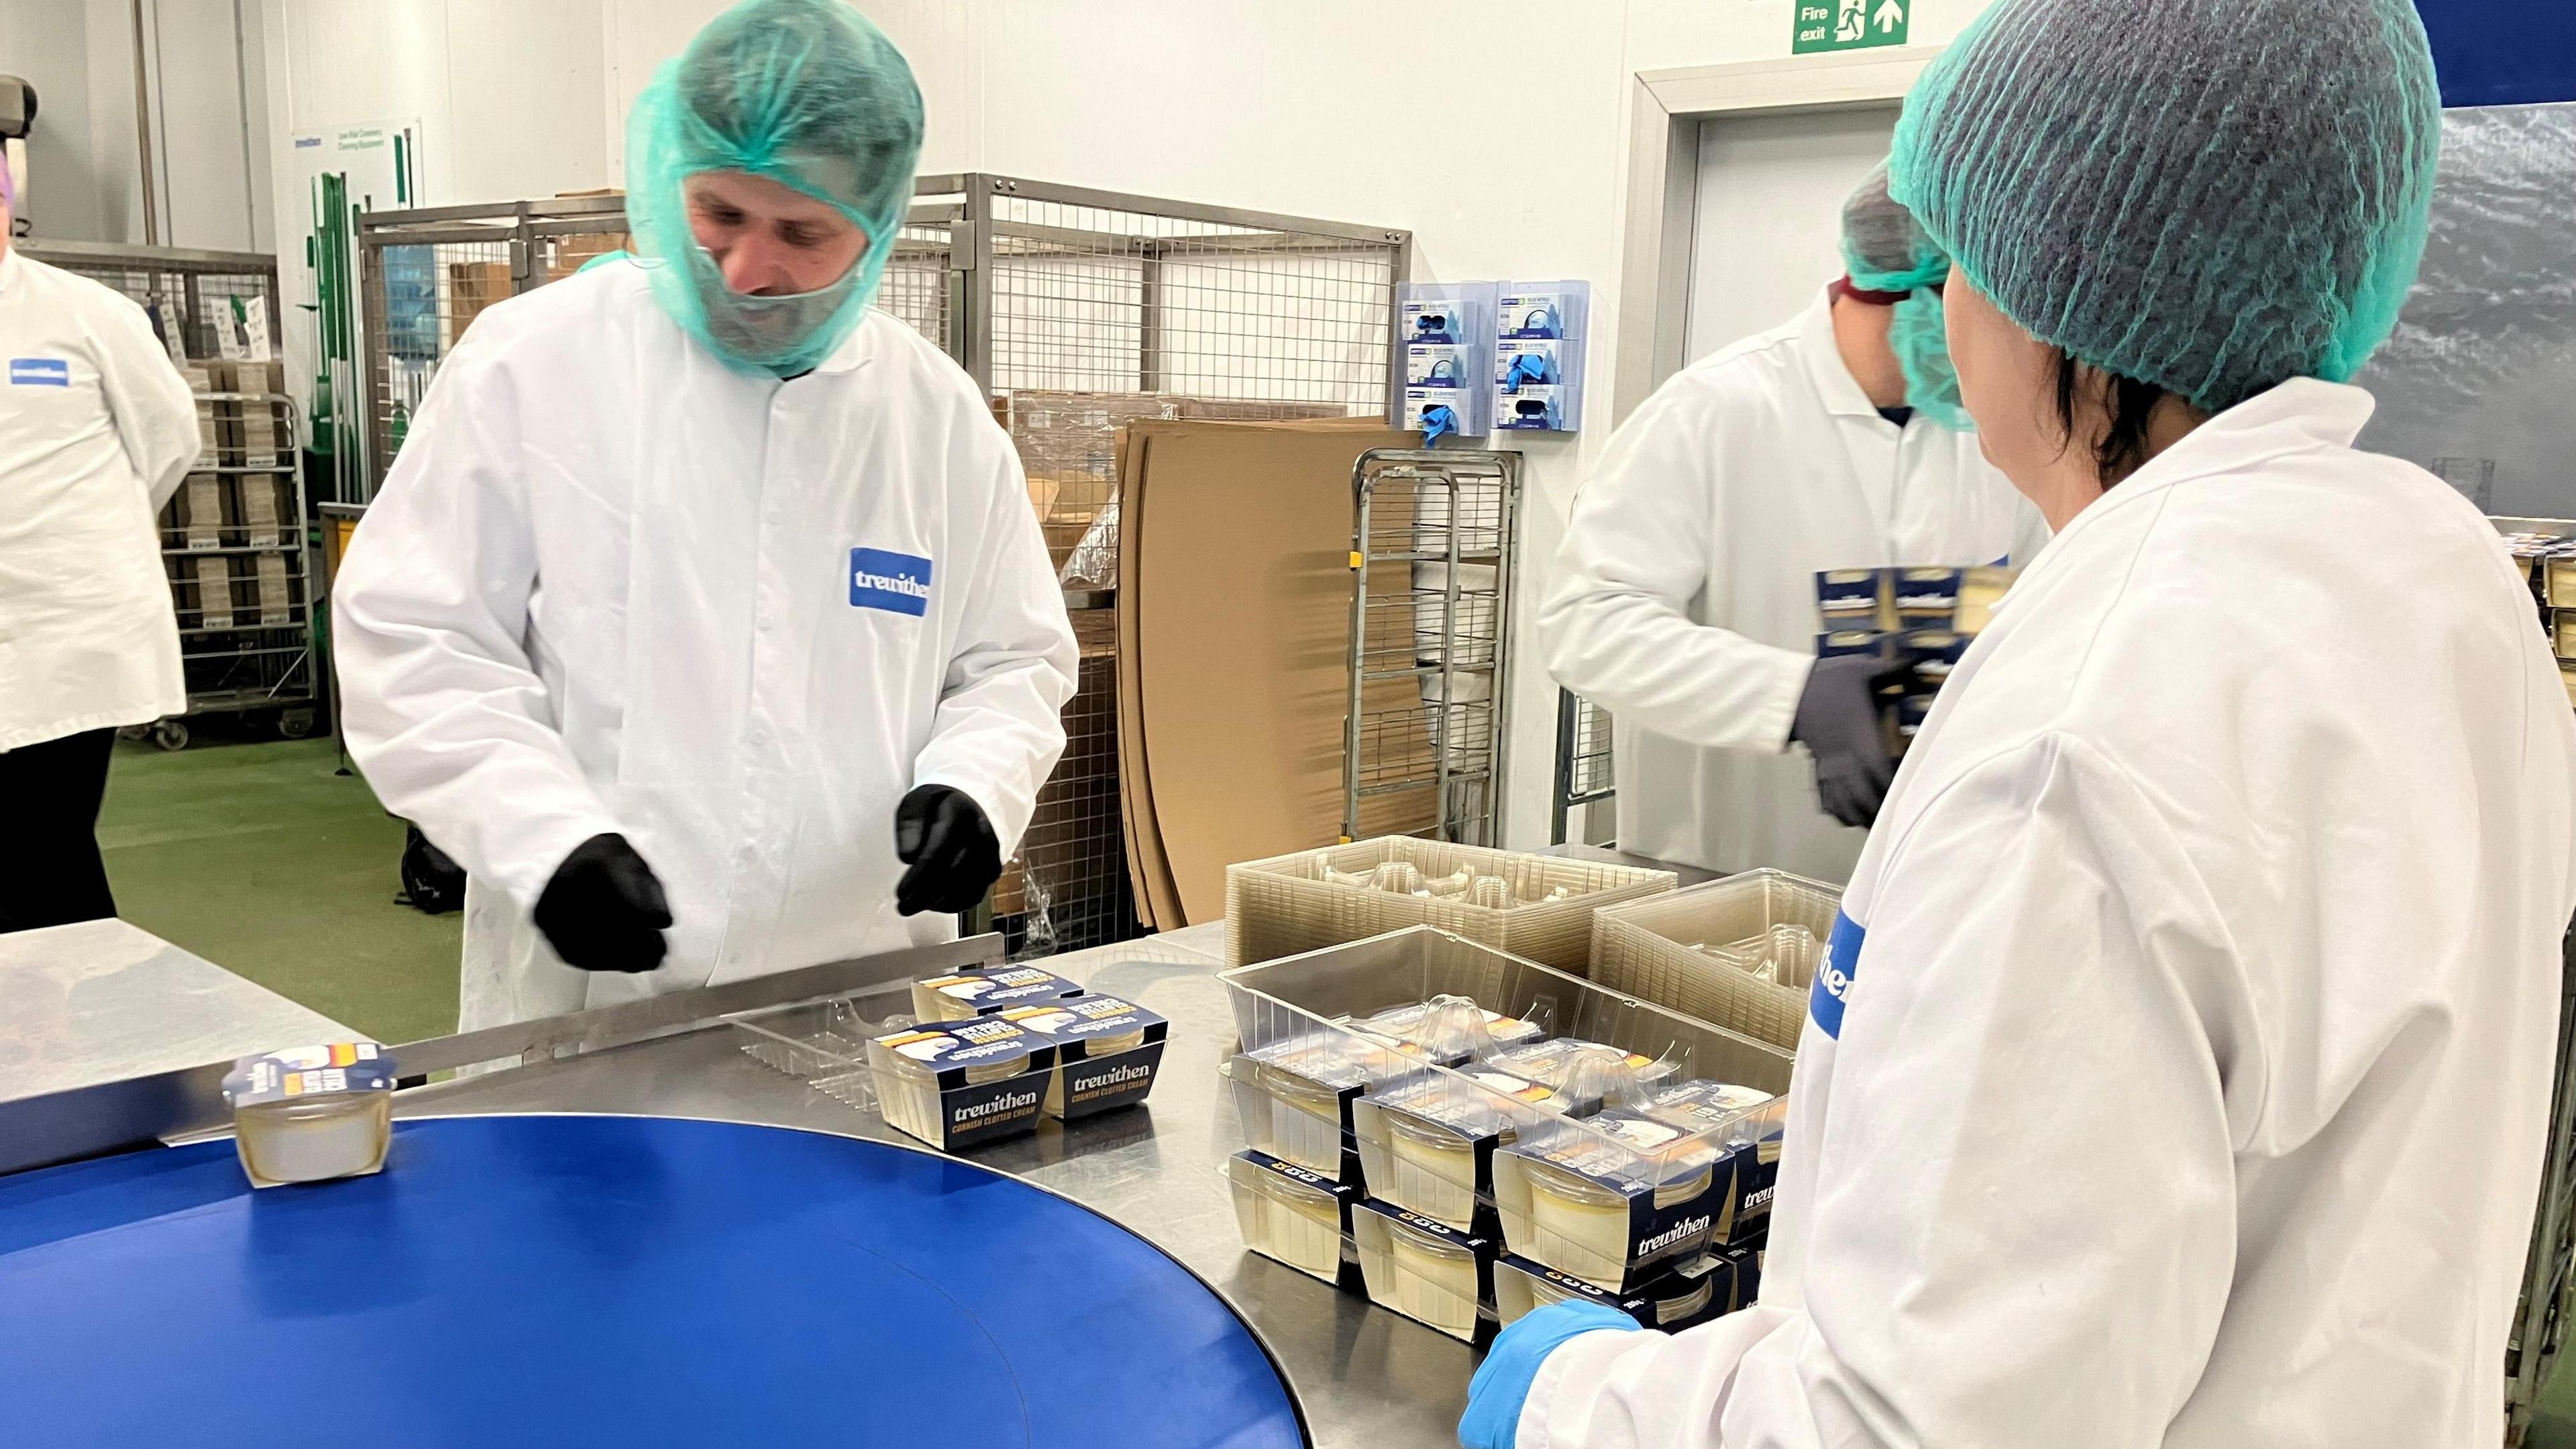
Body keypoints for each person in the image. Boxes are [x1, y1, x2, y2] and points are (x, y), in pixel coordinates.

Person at [1465, 1, 2576, 1446]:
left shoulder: (2083, 748)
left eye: (1969, 256)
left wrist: (1569, 1401)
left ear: (2060, 286)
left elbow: (1915, 1416)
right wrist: (1815, 697)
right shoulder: (2433, 575)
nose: (1951, 310)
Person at [333, 0, 1076, 1030]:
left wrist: (978, 788)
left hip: (858, 987)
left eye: (803, 233)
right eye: (719, 214)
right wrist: (541, 840)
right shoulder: (534, 367)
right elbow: (416, 639)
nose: (746, 269)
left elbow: (1011, 661)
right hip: (594, 991)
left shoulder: (933, 419)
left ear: (879, 227)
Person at [1538, 167, 2045, 881]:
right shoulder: (1713, 412)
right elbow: (1586, 623)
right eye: (1993, 309)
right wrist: (1793, 696)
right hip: (1723, 890)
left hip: (1934, 887)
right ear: (1925, 298)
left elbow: (2041, 618)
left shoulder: (1997, 436)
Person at [0, 158, 201, 932]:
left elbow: (170, 440)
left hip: (71, 628)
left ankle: (91, 1035)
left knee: (41, 849)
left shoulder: (89, 315)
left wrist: (89, 537)